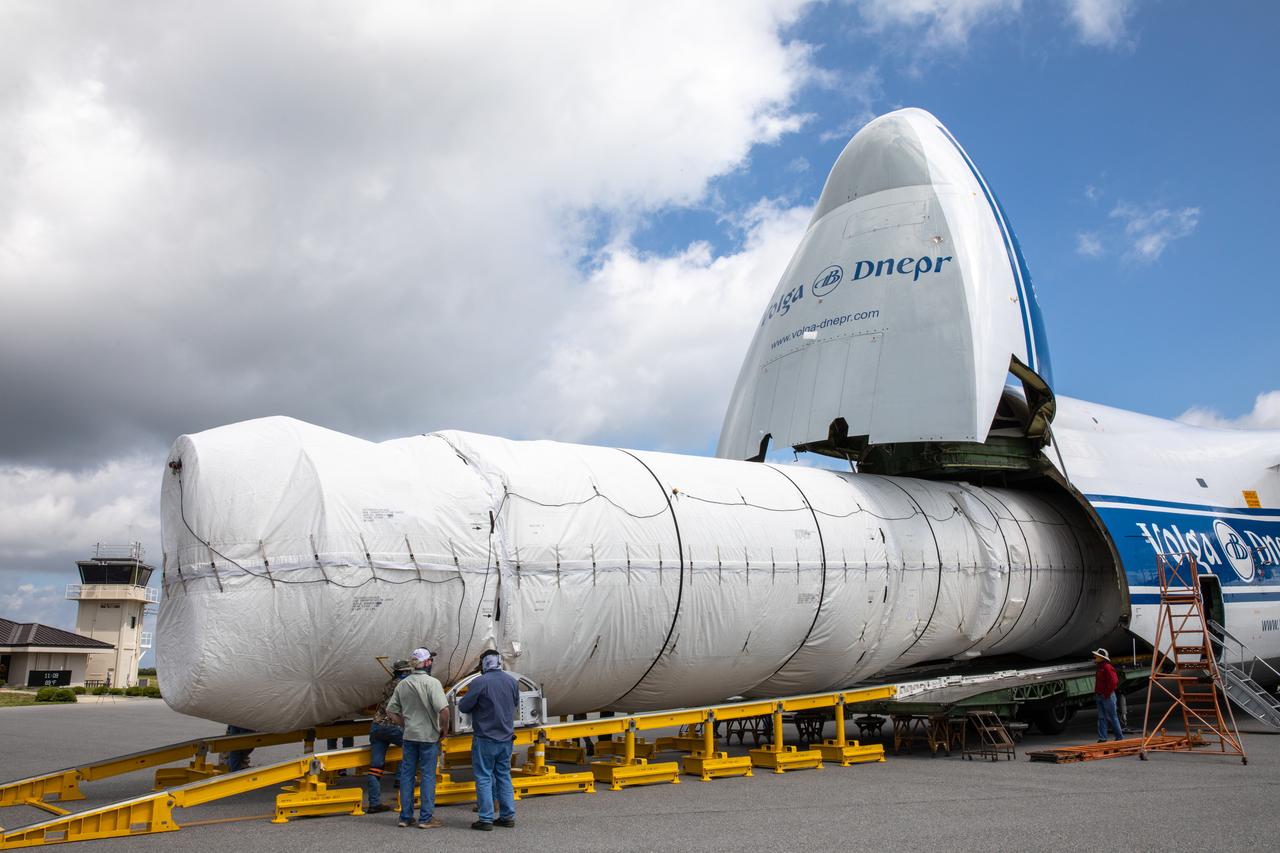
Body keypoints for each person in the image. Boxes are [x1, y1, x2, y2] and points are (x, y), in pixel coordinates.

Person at [386, 648, 449, 829]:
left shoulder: (403, 684)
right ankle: (426, 818)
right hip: (428, 737)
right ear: (427, 663)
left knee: (407, 776)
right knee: (428, 776)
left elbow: (391, 711)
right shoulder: (432, 683)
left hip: (410, 736)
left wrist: (404, 725)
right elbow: (443, 710)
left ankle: (405, 817)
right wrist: (444, 729)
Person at [457, 649, 520, 831]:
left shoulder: (480, 682)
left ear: (484, 663)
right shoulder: (511, 681)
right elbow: (515, 703)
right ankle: (508, 816)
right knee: (504, 776)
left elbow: (464, 705)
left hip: (485, 738)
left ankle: (485, 819)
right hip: (506, 738)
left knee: (484, 777)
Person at [364, 659, 413, 814]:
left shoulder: (388, 684)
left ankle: (374, 803)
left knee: (376, 766)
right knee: (412, 750)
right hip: (393, 726)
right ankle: (401, 781)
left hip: (377, 726)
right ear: (406, 672)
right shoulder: (406, 685)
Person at [1093, 648, 1123, 742]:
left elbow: (1114, 681)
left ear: (1102, 658)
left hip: (1107, 696)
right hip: (1101, 696)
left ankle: (1119, 737)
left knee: (1112, 717)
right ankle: (1102, 738)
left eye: (1097, 656)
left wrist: (1106, 693)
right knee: (1102, 717)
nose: (1095, 657)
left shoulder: (1107, 667)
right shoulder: (1100, 667)